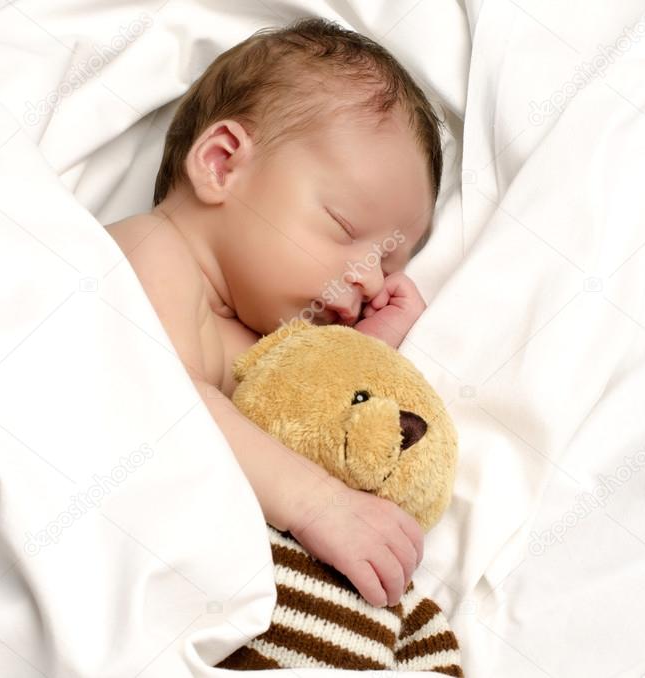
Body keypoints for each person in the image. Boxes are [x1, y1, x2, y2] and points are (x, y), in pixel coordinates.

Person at [104, 16, 443, 608]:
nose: (367, 278)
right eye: (343, 226)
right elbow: (170, 405)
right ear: (221, 164)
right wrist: (319, 505)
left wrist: (361, 355)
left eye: (388, 265)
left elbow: (285, 422)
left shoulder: (249, 340)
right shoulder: (146, 251)